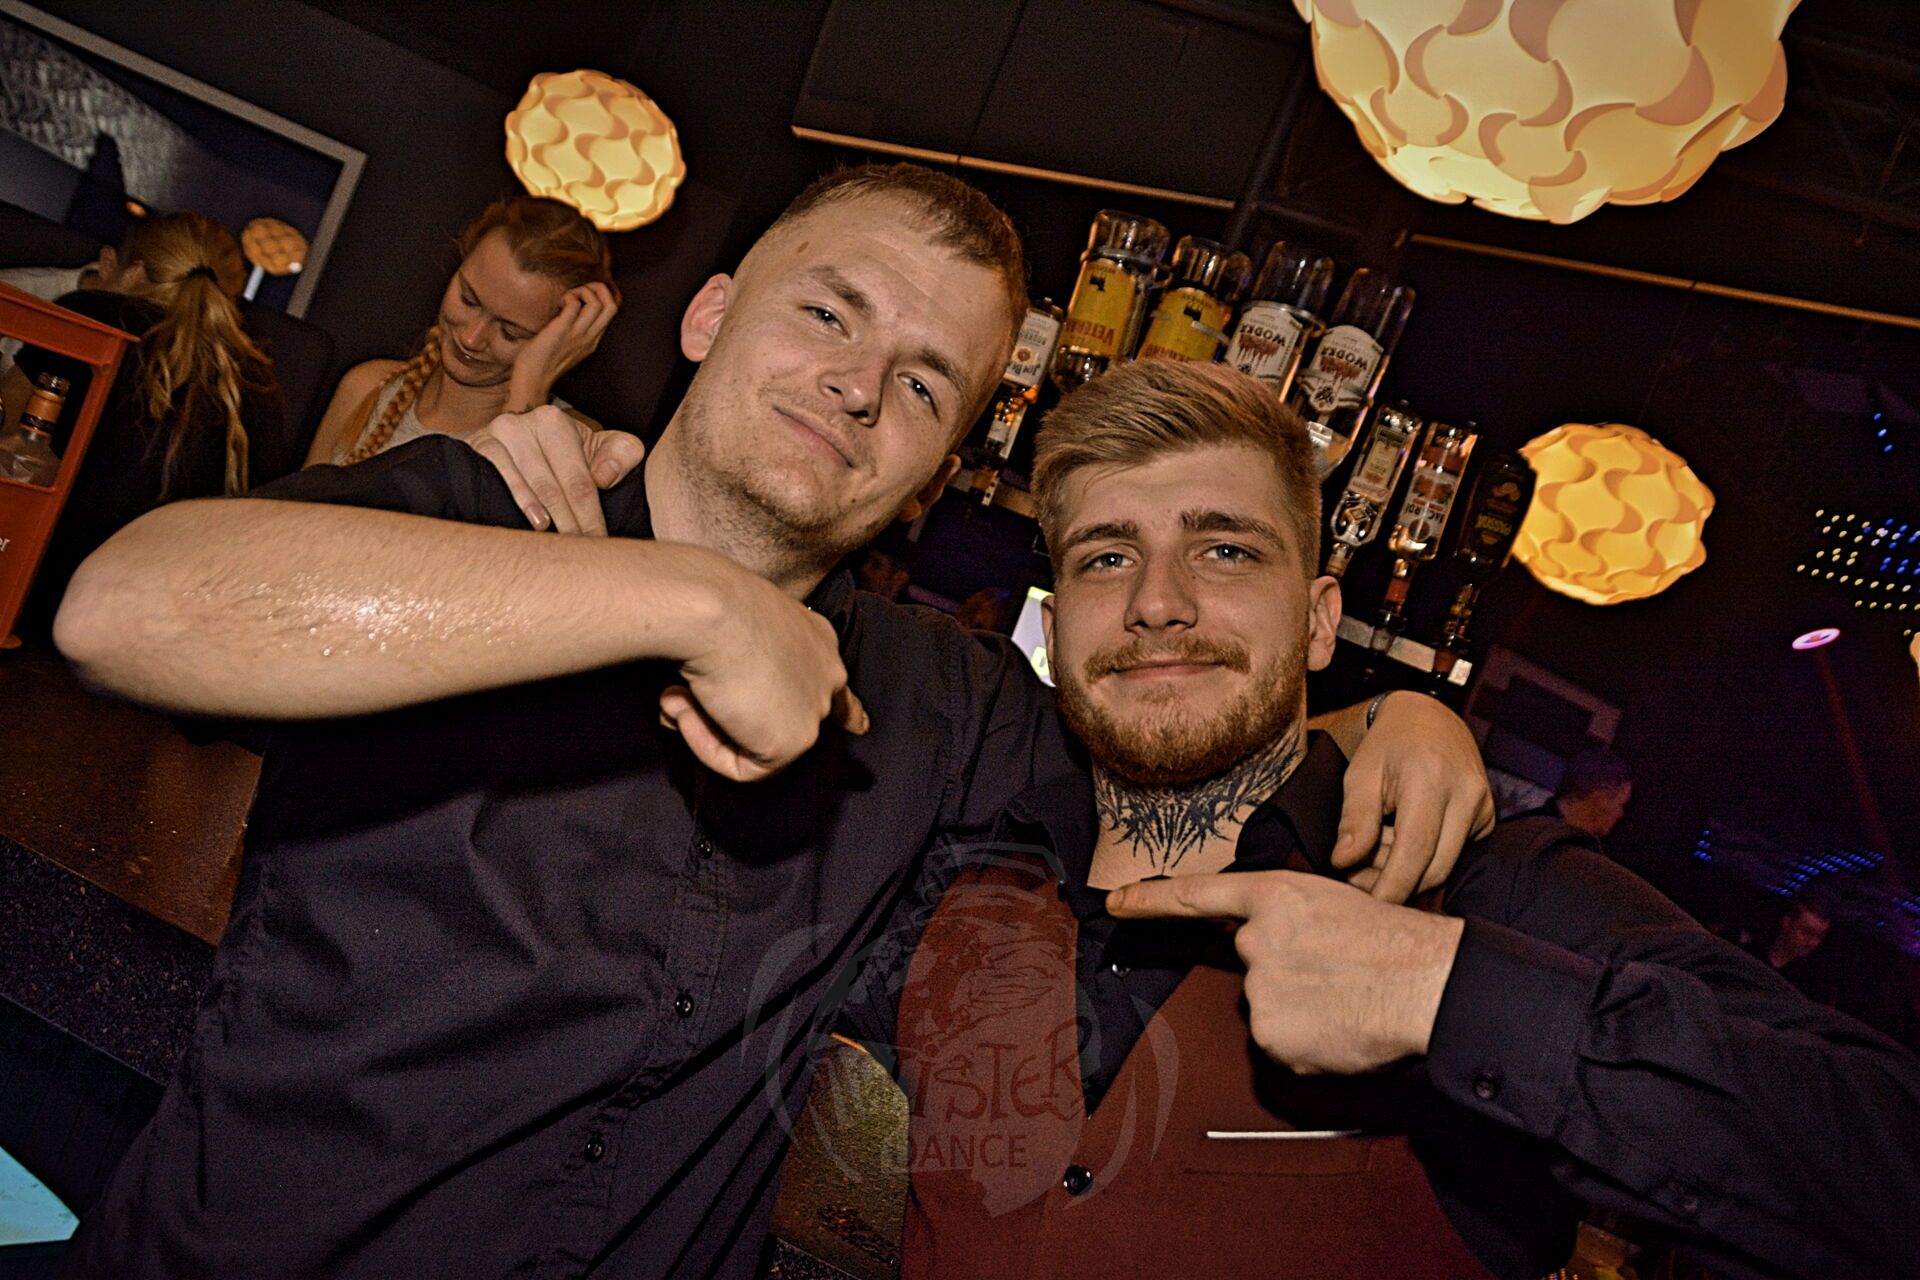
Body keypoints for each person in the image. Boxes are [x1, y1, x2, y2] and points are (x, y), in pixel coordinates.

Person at [51, 164, 1489, 1278]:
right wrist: (690, 603)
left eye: (924, 383)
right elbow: (124, 608)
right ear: (709, 313)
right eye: (828, 314)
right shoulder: (498, 514)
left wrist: (1390, 718)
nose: (860, 388)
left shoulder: (948, 705)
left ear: (939, 470)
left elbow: (1175, 739)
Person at [832, 360, 1920, 1280]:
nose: (1157, 600)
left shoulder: (1485, 885)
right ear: (1062, 618)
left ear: (1319, 622)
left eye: (1226, 550)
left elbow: (1889, 1159)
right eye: (1107, 556)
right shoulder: (967, 857)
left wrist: (1443, 992)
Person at [2, 211, 282, 634]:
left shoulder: (87, 317)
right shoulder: (257, 378)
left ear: (133, 273)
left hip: (34, 593)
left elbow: (8, 436)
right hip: (156, 620)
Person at [299, 195, 619, 507]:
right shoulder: (368, 386)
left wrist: (530, 382)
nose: (471, 338)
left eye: (510, 332)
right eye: (468, 299)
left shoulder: (576, 439)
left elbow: (502, 529)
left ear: (563, 336)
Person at [1545, 746, 1633, 841]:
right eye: (1620, 804)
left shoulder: (1540, 827)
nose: (1620, 814)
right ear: (1597, 795)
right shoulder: (1556, 841)